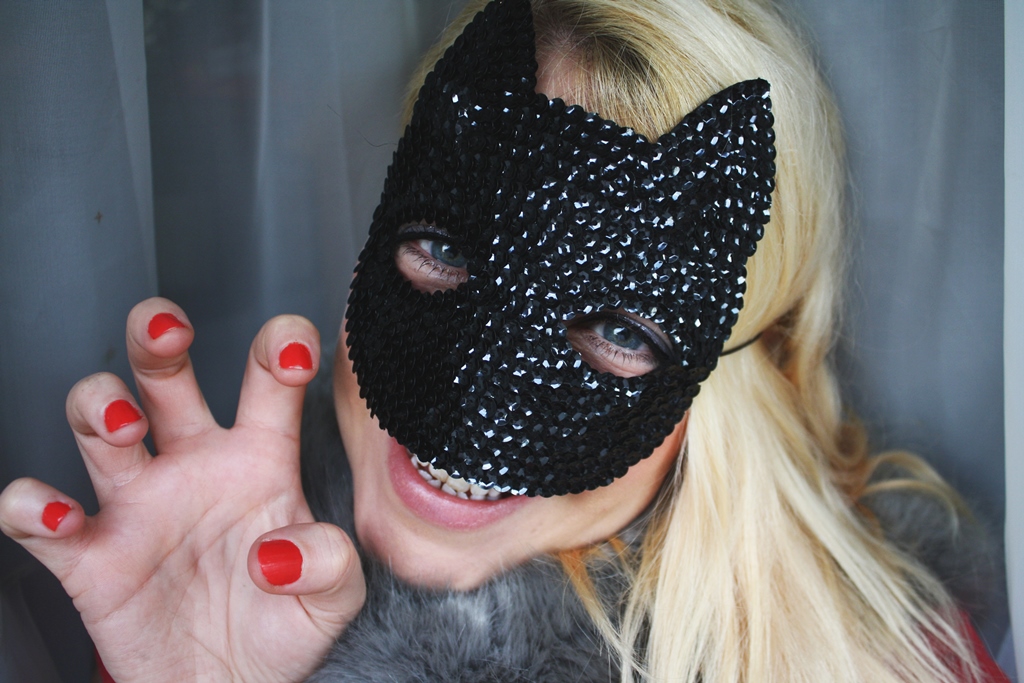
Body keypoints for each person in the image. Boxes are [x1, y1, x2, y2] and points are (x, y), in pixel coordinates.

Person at [0, 0, 1008, 681]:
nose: (469, 395)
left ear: (743, 375)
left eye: (619, 327)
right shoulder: (210, 589)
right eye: (443, 248)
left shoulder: (894, 666)